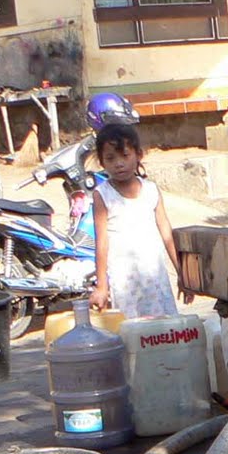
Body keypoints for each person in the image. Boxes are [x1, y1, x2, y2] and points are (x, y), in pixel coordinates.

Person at [88, 122, 188, 319]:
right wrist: (102, 286)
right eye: (110, 158)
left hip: (155, 277)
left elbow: (166, 232)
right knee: (132, 335)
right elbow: (102, 243)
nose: (119, 163)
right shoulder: (102, 195)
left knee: (164, 332)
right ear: (101, 162)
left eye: (125, 156)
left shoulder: (151, 190)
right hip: (124, 281)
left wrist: (182, 274)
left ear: (138, 155)